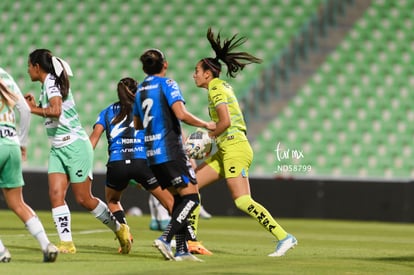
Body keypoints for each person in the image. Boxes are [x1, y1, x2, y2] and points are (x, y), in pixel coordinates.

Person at [191, 28, 298, 257]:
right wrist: (211, 128)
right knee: (192, 186)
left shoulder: (216, 88)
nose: (194, 75)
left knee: (242, 201)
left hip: (235, 147)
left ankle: (284, 237)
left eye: (197, 71)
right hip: (226, 147)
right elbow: (223, 120)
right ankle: (190, 241)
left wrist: (208, 136)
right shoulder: (220, 87)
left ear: (208, 74)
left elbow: (226, 121)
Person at [24, 49, 131, 254]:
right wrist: (36, 106)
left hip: (75, 147)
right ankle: (67, 243)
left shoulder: (51, 83)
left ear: (37, 67)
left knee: (84, 199)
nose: (28, 70)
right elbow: (53, 113)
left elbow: (56, 111)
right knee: (56, 195)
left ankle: (119, 228)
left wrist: (31, 109)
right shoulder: (48, 84)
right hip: (58, 148)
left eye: (29, 66)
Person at [133, 48, 215, 261]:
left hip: (152, 153)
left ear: (144, 68)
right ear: (165, 64)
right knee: (192, 197)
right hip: (170, 149)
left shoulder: (140, 89)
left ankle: (182, 250)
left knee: (179, 200)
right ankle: (165, 238)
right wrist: (205, 124)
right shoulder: (167, 84)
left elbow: (138, 124)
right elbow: (181, 114)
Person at [89, 77, 174, 242]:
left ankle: (124, 232)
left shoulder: (106, 112)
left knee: (112, 201)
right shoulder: (146, 110)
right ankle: (181, 240)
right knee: (171, 203)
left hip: (116, 163)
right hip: (142, 162)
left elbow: (92, 141)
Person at [0, 67, 58, 263]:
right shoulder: (5, 75)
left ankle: (1, 252)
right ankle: (46, 244)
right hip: (11, 144)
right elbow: (24, 109)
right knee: (17, 203)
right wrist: (22, 144)